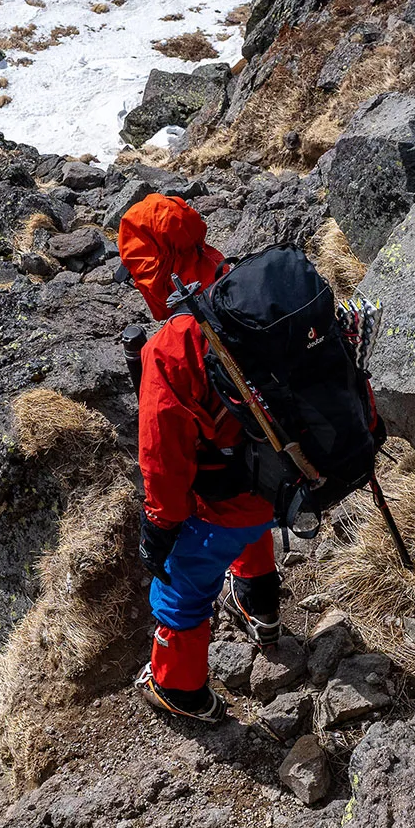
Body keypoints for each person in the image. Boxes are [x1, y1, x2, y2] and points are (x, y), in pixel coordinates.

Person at [117, 193, 281, 723]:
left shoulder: (171, 345)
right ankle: (262, 608)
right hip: (283, 479)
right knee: (249, 501)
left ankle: (179, 689)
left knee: (179, 588)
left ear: (153, 266)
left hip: (226, 502)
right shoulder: (250, 288)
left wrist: (158, 529)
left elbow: (162, 460)